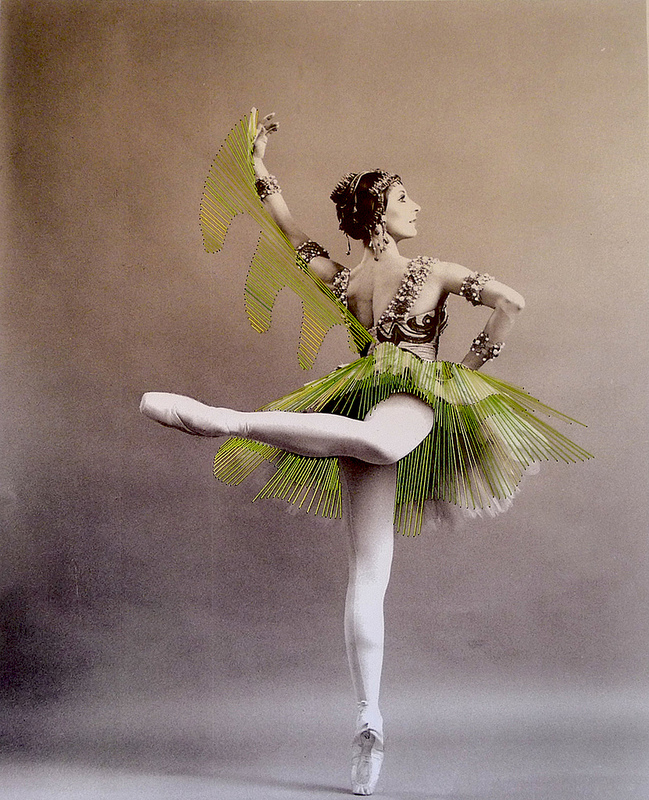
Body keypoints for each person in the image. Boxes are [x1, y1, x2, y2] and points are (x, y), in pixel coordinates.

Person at [140, 111, 591, 795]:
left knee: (373, 502)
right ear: (380, 212)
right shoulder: (431, 270)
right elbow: (513, 302)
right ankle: (368, 717)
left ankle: (234, 421)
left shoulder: (345, 280)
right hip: (406, 396)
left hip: (365, 399)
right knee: (369, 564)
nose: (418, 207)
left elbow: (291, 234)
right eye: (405, 198)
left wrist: (259, 168)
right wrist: (471, 366)